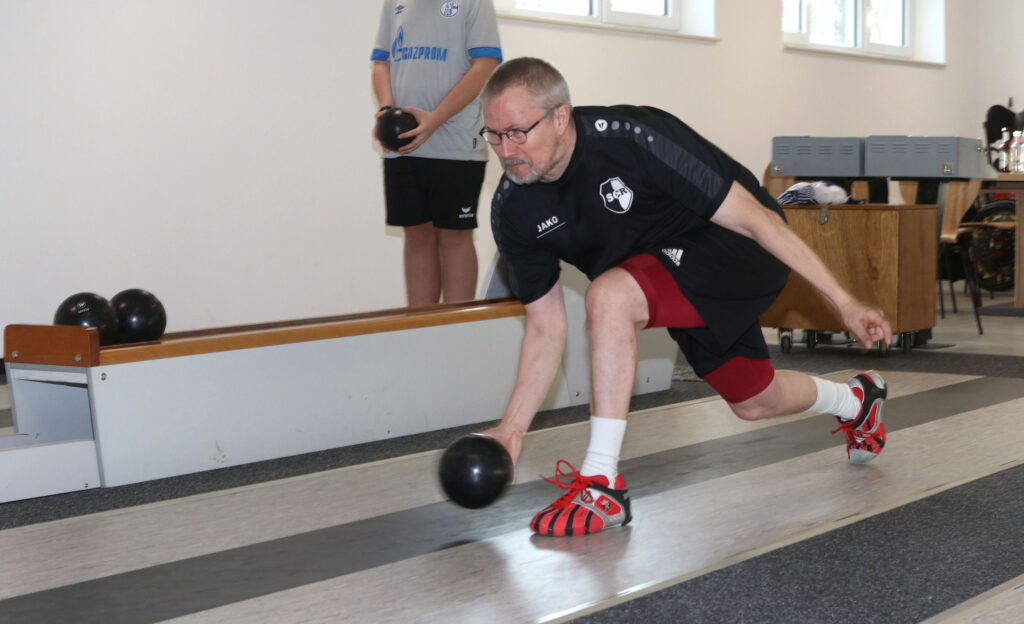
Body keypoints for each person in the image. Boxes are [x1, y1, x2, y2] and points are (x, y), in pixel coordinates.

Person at [478, 57, 892, 538]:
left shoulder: (633, 138)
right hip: (660, 273)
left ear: (560, 117)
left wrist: (844, 302)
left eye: (517, 133)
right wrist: (511, 430)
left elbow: (756, 221)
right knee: (754, 399)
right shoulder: (514, 211)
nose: (506, 152)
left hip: (737, 248)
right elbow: (547, 328)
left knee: (609, 297)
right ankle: (857, 399)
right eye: (493, 136)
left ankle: (601, 481)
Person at [371, 0, 502, 305]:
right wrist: (387, 110)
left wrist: (435, 119)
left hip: (455, 145)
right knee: (416, 234)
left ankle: (457, 331)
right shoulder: (395, 4)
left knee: (455, 237)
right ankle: (420, 330)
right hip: (402, 146)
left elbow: (485, 64)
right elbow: (381, 62)